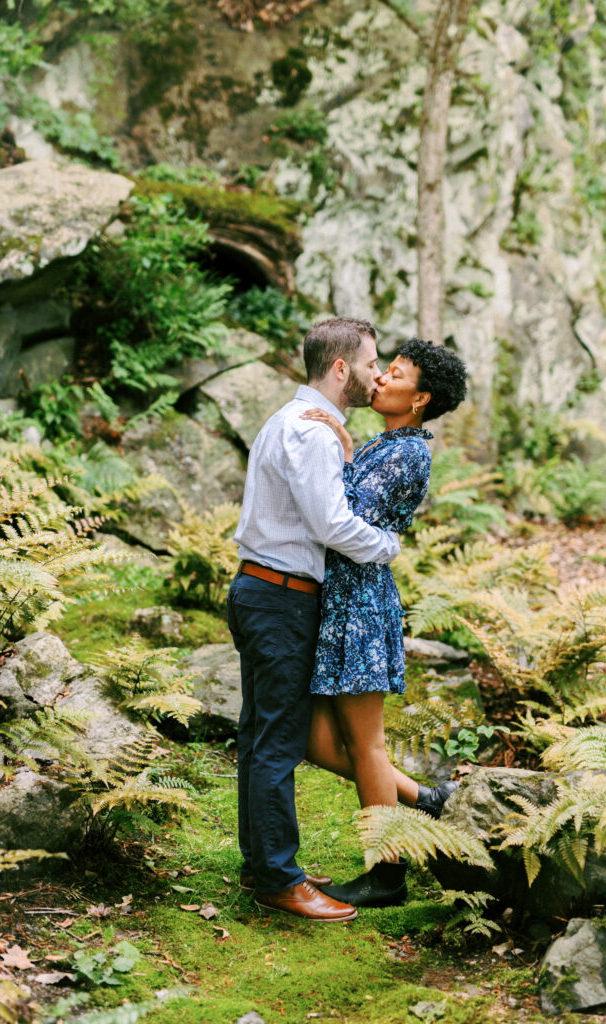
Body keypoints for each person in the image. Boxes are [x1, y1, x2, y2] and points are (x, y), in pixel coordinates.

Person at [227, 317, 402, 922]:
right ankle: (279, 878)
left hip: (262, 590)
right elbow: (331, 524)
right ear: (339, 368)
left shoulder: (297, 421)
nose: (377, 373)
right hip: (281, 598)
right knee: (275, 743)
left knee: (258, 738)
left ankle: (262, 864)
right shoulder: (312, 432)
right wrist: (388, 545)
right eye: (371, 362)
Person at [302, 337, 468, 908]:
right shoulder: (389, 441)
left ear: (419, 397)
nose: (381, 379)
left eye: (394, 374)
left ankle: (387, 873)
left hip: (362, 605)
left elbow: (343, 515)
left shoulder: (409, 453)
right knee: (317, 739)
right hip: (341, 600)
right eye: (384, 369)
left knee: (365, 744)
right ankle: (425, 798)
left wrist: (339, 445)